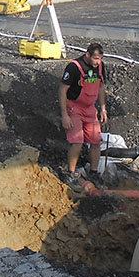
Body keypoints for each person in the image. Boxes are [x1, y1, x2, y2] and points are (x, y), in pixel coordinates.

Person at [58, 43, 108, 184]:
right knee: (77, 142)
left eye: (100, 59)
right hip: (74, 108)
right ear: (87, 55)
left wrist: (103, 108)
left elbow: (101, 87)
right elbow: (62, 90)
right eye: (96, 59)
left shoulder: (100, 66)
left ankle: (93, 172)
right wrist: (65, 115)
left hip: (90, 108)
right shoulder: (74, 67)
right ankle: (71, 173)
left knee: (96, 141)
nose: (98, 62)